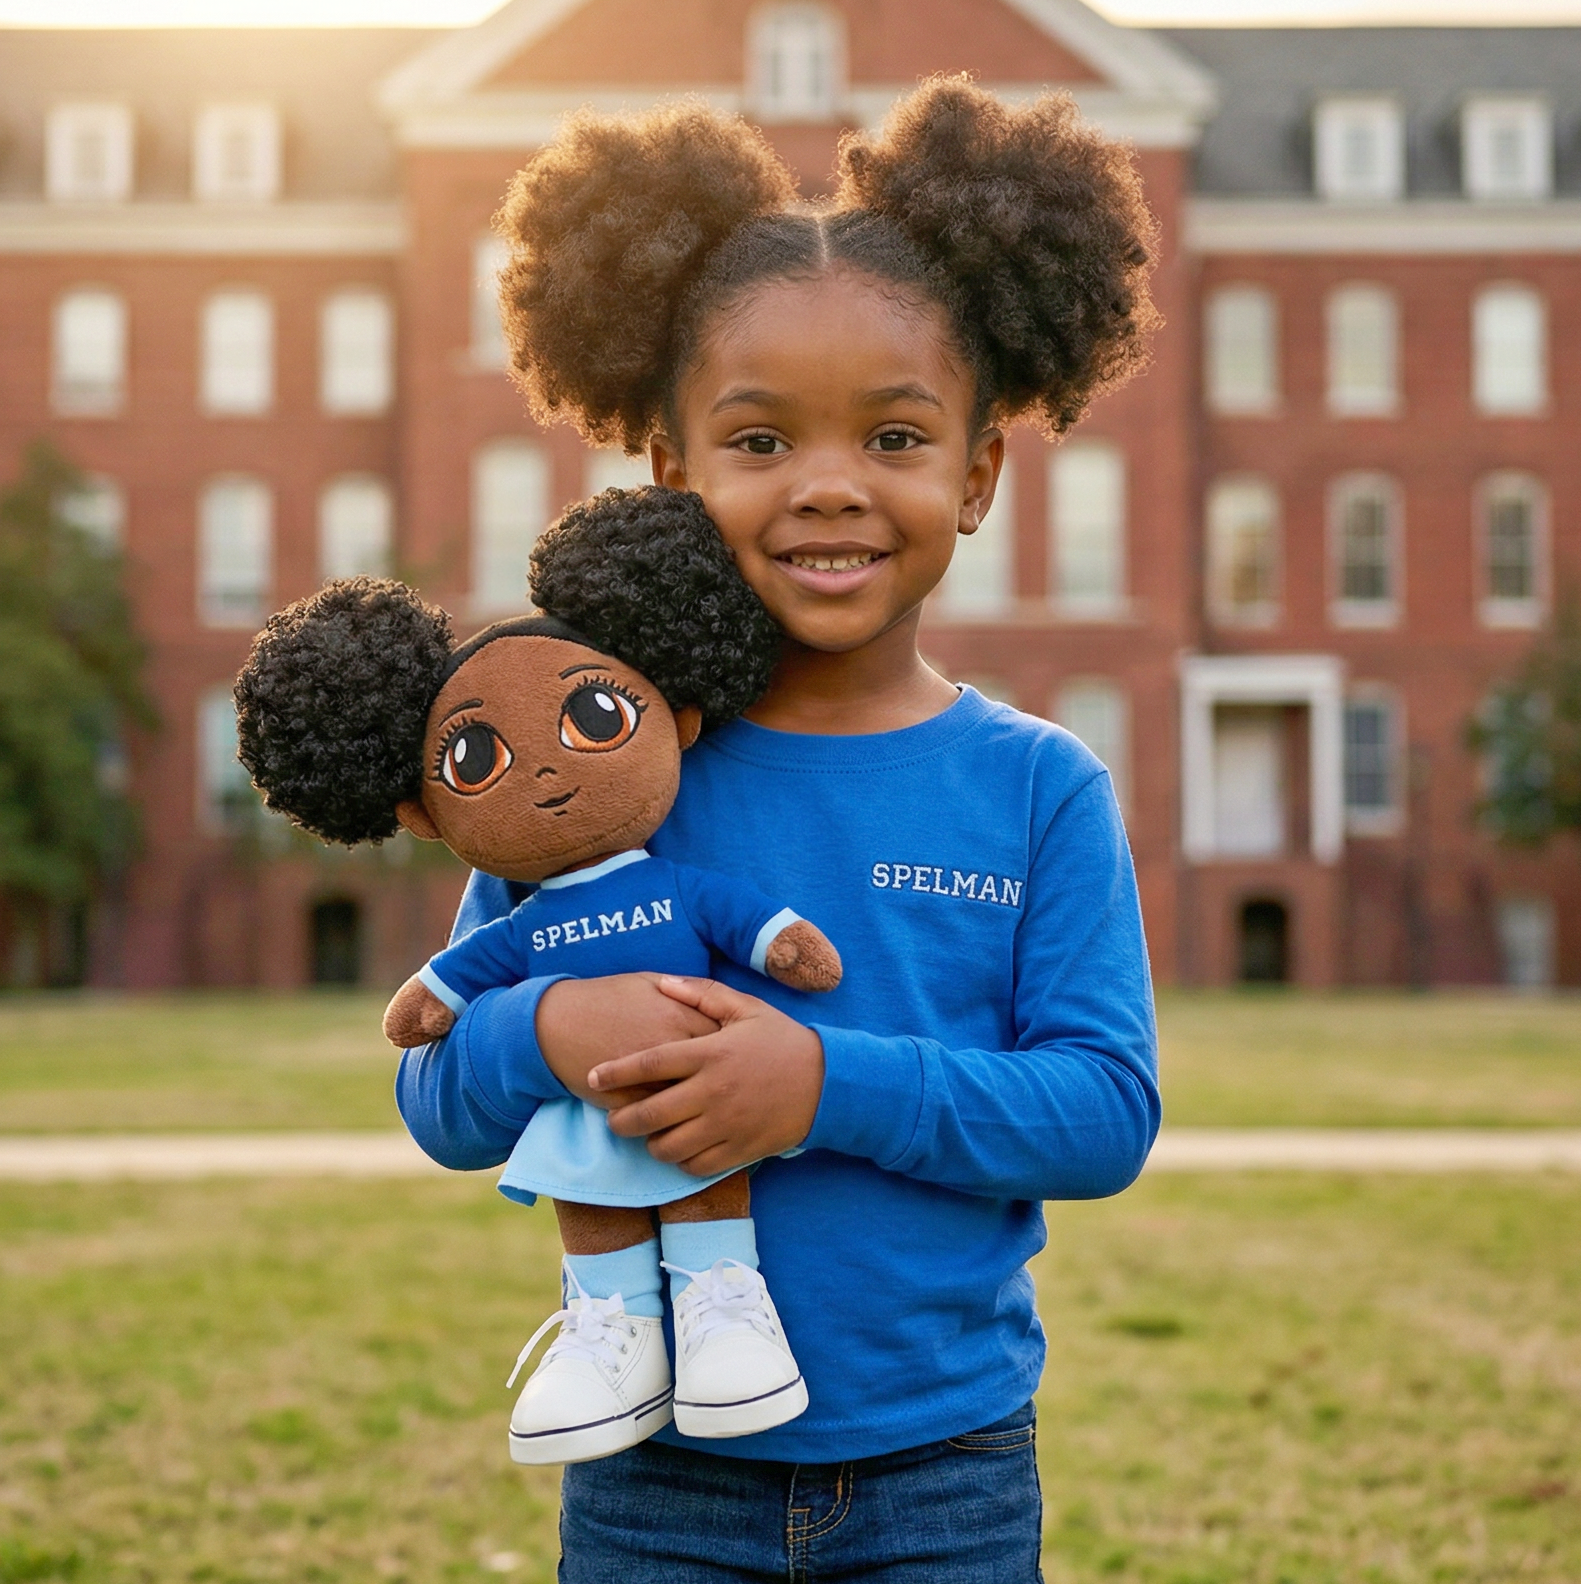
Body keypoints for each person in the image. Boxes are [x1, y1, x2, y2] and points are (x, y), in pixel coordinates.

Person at [397, 74, 1161, 1581]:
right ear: (672, 470)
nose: (828, 488)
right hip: (655, 1488)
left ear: (980, 473)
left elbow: (1099, 1113)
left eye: (893, 438)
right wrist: (551, 1032)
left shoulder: (1036, 786)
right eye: (758, 444)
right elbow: (439, 1097)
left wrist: (818, 1084)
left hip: (943, 1478)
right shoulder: (593, 778)